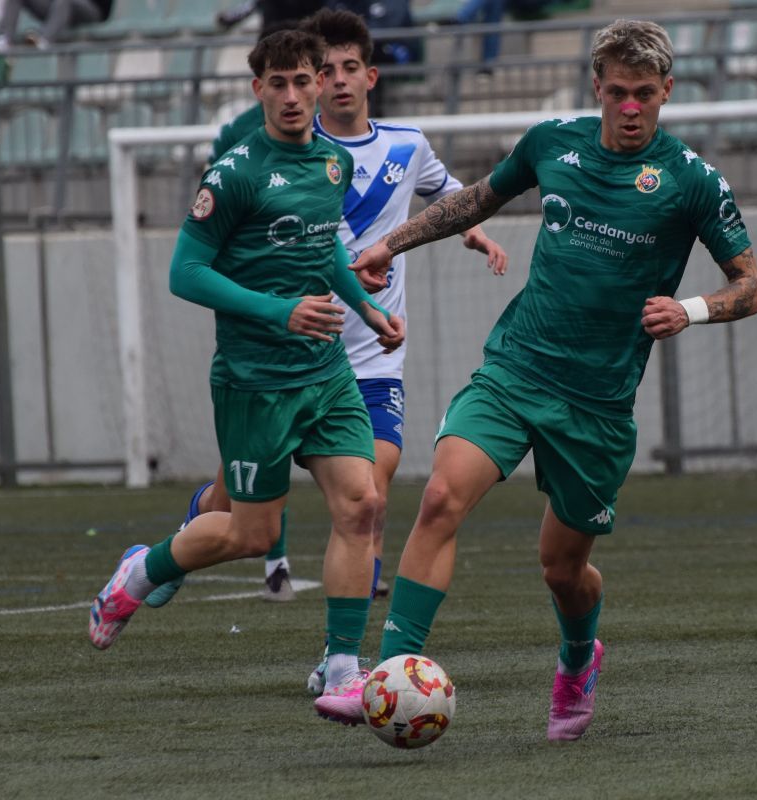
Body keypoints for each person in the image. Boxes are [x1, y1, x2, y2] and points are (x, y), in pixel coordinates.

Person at [330, 19, 757, 740]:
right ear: (597, 87)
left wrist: (690, 309)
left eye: (645, 96)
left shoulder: (692, 182)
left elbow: (750, 286)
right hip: (516, 368)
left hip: (597, 405)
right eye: (618, 93)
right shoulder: (551, 141)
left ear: (667, 93)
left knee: (562, 571)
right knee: (439, 496)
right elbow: (476, 200)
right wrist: (386, 244)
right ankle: (391, 671)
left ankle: (577, 656)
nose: (630, 108)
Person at [143, 8, 509, 697]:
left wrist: (473, 235)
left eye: (341, 71)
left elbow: (451, 196)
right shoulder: (263, 163)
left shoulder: (403, 144)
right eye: (318, 73)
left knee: (367, 494)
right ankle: (183, 545)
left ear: (366, 76)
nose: (329, 84)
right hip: (273, 362)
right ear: (274, 88)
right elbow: (278, 252)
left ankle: (343, 656)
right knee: (247, 518)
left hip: (361, 357)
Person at [86, 29, 404, 725]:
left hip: (327, 373)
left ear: (320, 84)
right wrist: (278, 311)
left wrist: (368, 309)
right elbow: (185, 274)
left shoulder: (330, 165)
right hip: (255, 381)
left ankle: (343, 668)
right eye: (277, 83)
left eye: (303, 81)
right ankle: (139, 574)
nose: (292, 96)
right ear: (257, 89)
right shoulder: (234, 175)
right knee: (251, 536)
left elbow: (323, 255)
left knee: (363, 505)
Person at [0, 0, 113, 51]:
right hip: (58, 9)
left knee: (64, 2)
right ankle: (3, 39)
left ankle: (44, 41)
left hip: (93, 10)